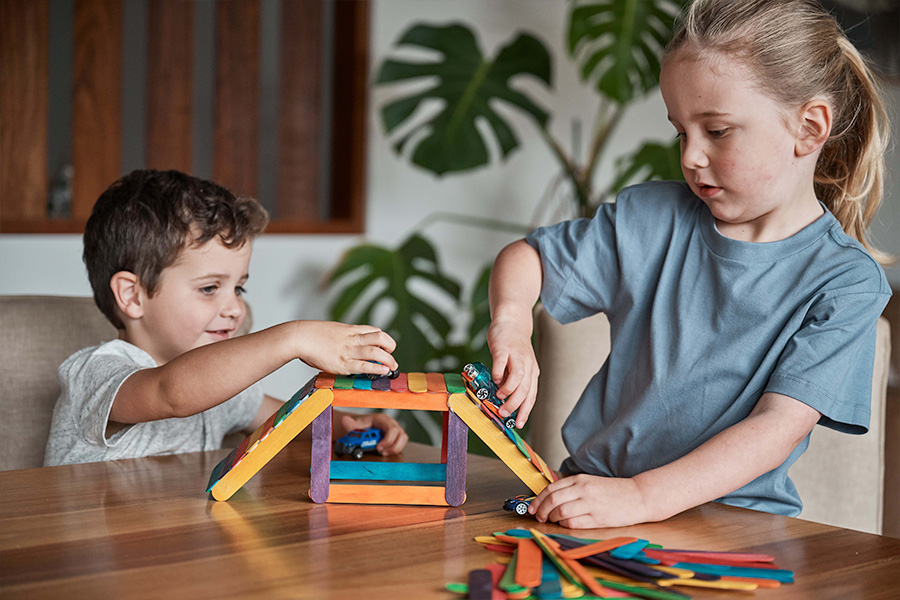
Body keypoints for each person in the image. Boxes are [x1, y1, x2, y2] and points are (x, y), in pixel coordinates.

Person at [486, 0, 892, 528]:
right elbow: (528, 257)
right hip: (590, 499)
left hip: (730, 526)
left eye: (717, 131)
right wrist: (513, 323)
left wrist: (639, 498)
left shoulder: (848, 282)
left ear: (809, 128)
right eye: (682, 131)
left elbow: (777, 428)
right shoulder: (651, 218)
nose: (691, 157)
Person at [45, 169, 408, 467]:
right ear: (132, 295)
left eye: (239, 288)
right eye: (209, 288)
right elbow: (170, 392)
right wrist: (293, 338)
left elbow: (299, 422)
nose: (235, 308)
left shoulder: (222, 388)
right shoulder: (94, 374)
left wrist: (352, 429)